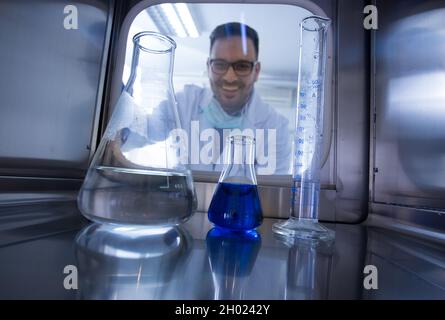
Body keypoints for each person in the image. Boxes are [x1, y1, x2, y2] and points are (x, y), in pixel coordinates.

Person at [176, 22, 291, 175]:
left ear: (256, 71)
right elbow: (141, 131)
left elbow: (267, 194)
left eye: (242, 66)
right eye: (219, 64)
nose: (229, 78)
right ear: (208, 67)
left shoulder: (276, 128)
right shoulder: (184, 102)